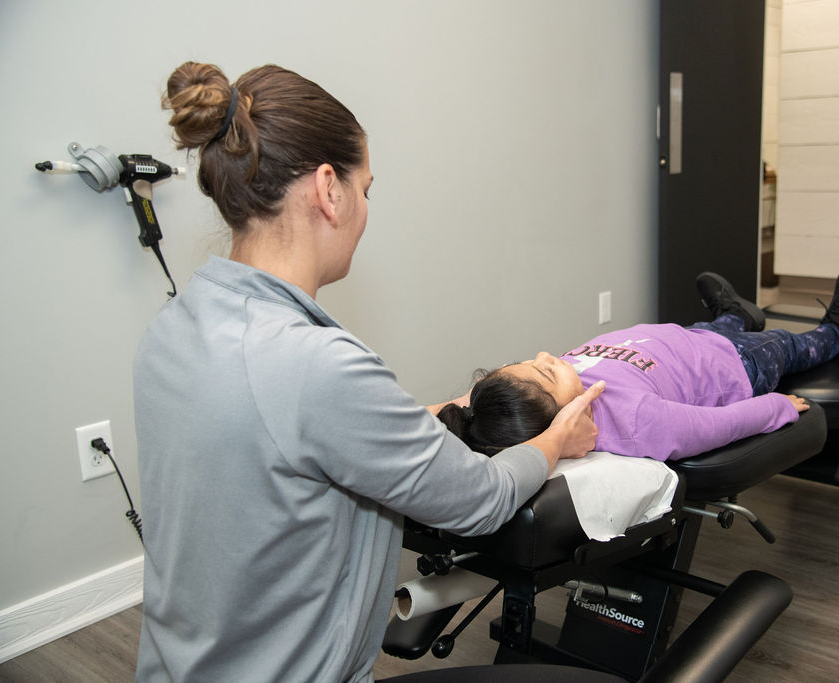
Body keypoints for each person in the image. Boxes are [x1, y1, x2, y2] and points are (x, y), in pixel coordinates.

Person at [133, 62, 607, 683]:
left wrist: (429, 418)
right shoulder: (317, 365)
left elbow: (286, 443)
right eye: (367, 189)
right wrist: (556, 440)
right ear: (329, 189)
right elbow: (482, 501)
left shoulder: (175, 328)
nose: (365, 209)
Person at [439, 269, 839, 462]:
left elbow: (463, 407)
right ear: (562, 416)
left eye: (527, 362)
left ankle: (735, 314)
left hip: (691, 339)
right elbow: (716, 426)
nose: (545, 356)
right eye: (546, 371)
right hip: (740, 365)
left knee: (714, 325)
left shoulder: (534, 396)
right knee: (791, 344)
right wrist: (775, 407)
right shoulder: (634, 421)